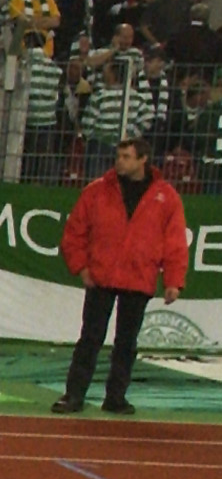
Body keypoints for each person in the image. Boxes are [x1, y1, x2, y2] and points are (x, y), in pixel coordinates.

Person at [55, 138, 190, 414]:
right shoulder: (96, 192)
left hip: (138, 276)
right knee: (90, 338)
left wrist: (174, 280)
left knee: (127, 343)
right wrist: (81, 267)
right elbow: (75, 232)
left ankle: (116, 397)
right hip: (102, 275)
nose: (120, 161)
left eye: (127, 156)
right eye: (119, 156)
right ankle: (73, 395)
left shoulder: (166, 197)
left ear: (143, 159)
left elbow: (175, 241)